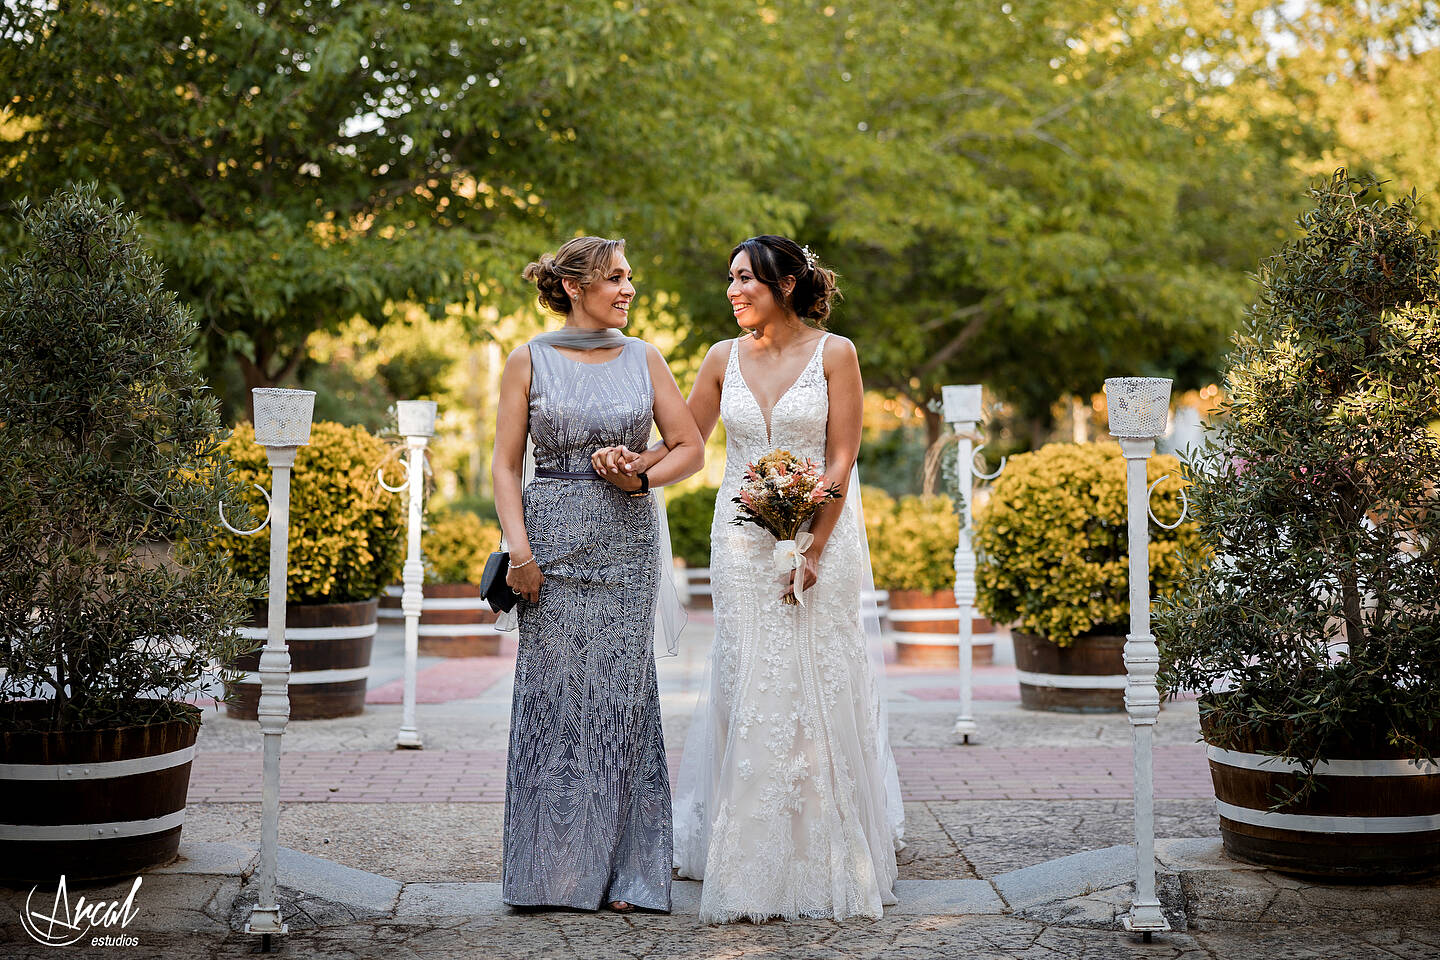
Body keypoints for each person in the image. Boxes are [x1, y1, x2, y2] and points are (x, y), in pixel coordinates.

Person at [600, 235, 904, 923]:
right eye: (731, 279)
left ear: (786, 284)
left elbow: (842, 457)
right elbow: (687, 443)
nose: (733, 291)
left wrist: (813, 548)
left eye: (747, 280)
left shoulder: (837, 353)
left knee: (815, 672)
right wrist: (633, 466)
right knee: (752, 674)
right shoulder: (719, 358)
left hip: (823, 532)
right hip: (738, 542)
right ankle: (748, 845)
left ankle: (824, 847)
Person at [491, 235, 702, 914]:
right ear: (575, 286)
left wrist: (640, 475)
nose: (628, 289)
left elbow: (690, 448)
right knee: (552, 700)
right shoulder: (527, 359)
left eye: (629, 277)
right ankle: (548, 875)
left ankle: (628, 875)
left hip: (626, 548)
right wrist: (520, 554)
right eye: (615, 277)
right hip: (548, 549)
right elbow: (505, 466)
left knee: (620, 700)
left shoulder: (646, 357)